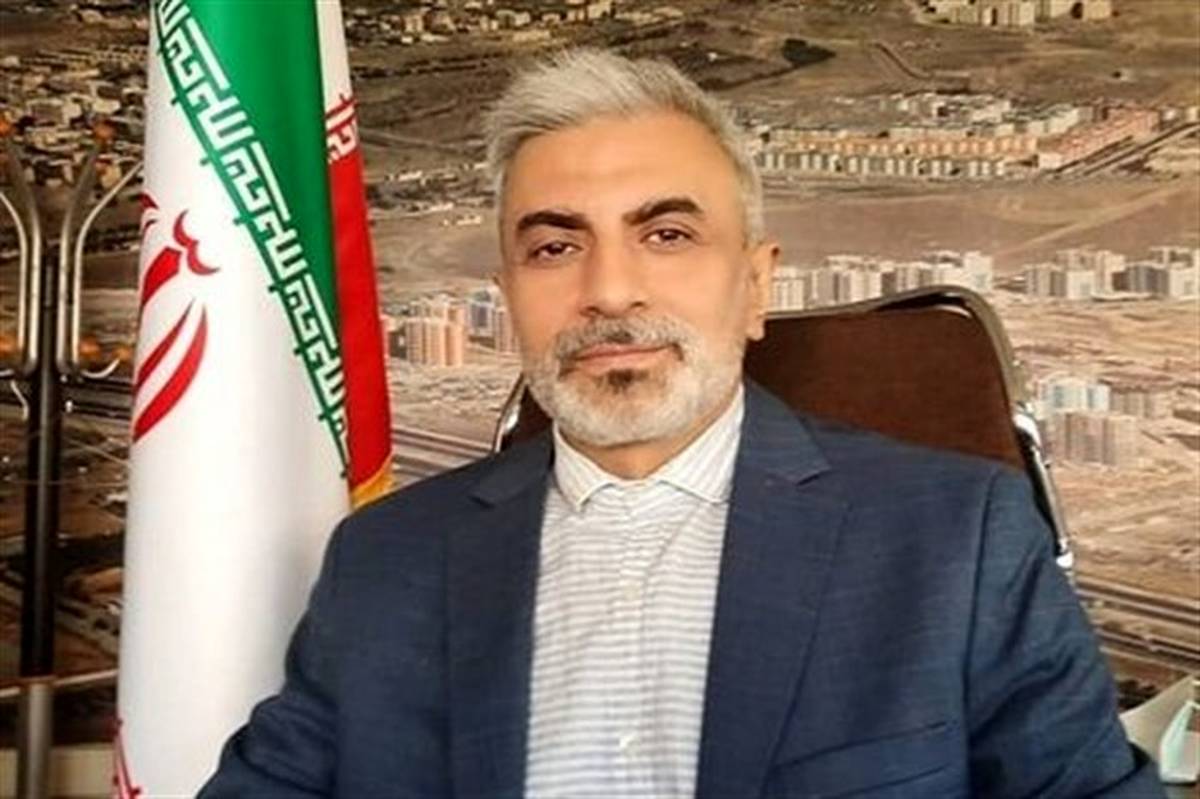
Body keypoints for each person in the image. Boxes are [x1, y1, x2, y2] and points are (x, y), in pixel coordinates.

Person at [201, 49, 1162, 798]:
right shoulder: (386, 562)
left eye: (666, 235)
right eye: (554, 246)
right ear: (508, 296)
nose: (610, 290)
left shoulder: (956, 540)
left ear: (755, 285)